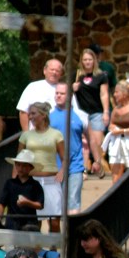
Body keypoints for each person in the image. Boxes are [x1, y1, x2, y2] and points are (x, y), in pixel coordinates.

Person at [18, 102, 64, 233]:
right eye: (29, 114)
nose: (30, 117)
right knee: (34, 221)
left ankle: (54, 252)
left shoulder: (56, 134)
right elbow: (18, 160)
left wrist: (62, 172)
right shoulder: (26, 135)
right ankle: (34, 252)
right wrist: (15, 181)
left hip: (51, 181)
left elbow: (64, 157)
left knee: (54, 221)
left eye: (33, 113)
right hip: (32, 182)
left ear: (43, 115)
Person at [49, 81, 88, 215]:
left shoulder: (80, 116)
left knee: (73, 201)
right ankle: (56, 235)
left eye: (62, 93)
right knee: (55, 206)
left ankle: (72, 234)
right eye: (57, 93)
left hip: (75, 166)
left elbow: (91, 139)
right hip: (54, 167)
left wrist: (98, 160)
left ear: (70, 96)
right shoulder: (48, 117)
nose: (58, 96)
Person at [73, 48, 110, 177]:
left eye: (90, 59)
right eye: (85, 60)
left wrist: (106, 112)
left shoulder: (101, 75)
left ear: (94, 61)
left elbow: (104, 94)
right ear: (81, 61)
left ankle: (98, 164)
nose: (87, 62)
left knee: (96, 141)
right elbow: (67, 93)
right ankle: (83, 169)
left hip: (96, 112)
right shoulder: (77, 75)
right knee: (83, 144)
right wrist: (73, 88)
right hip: (80, 113)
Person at [0, 149, 44, 230]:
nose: (20, 168)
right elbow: (2, 203)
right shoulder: (9, 183)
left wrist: (27, 202)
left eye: (24, 165)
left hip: (30, 224)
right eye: (18, 165)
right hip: (11, 224)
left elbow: (40, 205)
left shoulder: (35, 185)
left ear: (31, 167)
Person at [16, 58, 64, 131]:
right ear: (45, 70)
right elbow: (23, 111)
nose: (54, 72)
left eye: (57, 71)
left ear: (61, 74)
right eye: (52, 69)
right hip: (36, 136)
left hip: (59, 135)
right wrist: (26, 134)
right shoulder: (33, 87)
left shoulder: (64, 90)